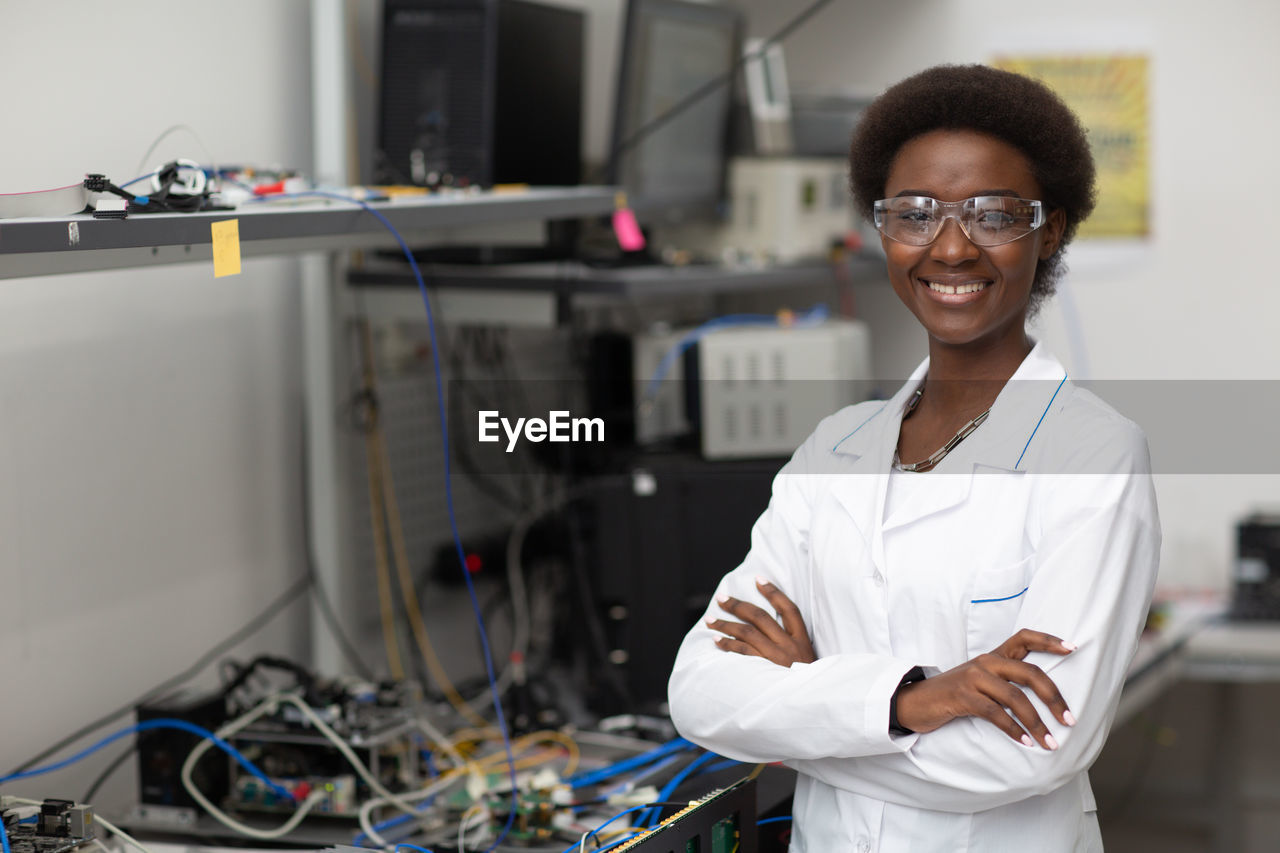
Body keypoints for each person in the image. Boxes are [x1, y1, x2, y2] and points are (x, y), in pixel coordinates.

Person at [667, 64, 1161, 852]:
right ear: (883, 228)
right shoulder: (834, 448)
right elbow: (698, 692)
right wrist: (912, 700)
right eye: (916, 213)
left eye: (995, 214)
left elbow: (1031, 750)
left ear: (1052, 228)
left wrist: (805, 704)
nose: (952, 247)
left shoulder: (1094, 454)